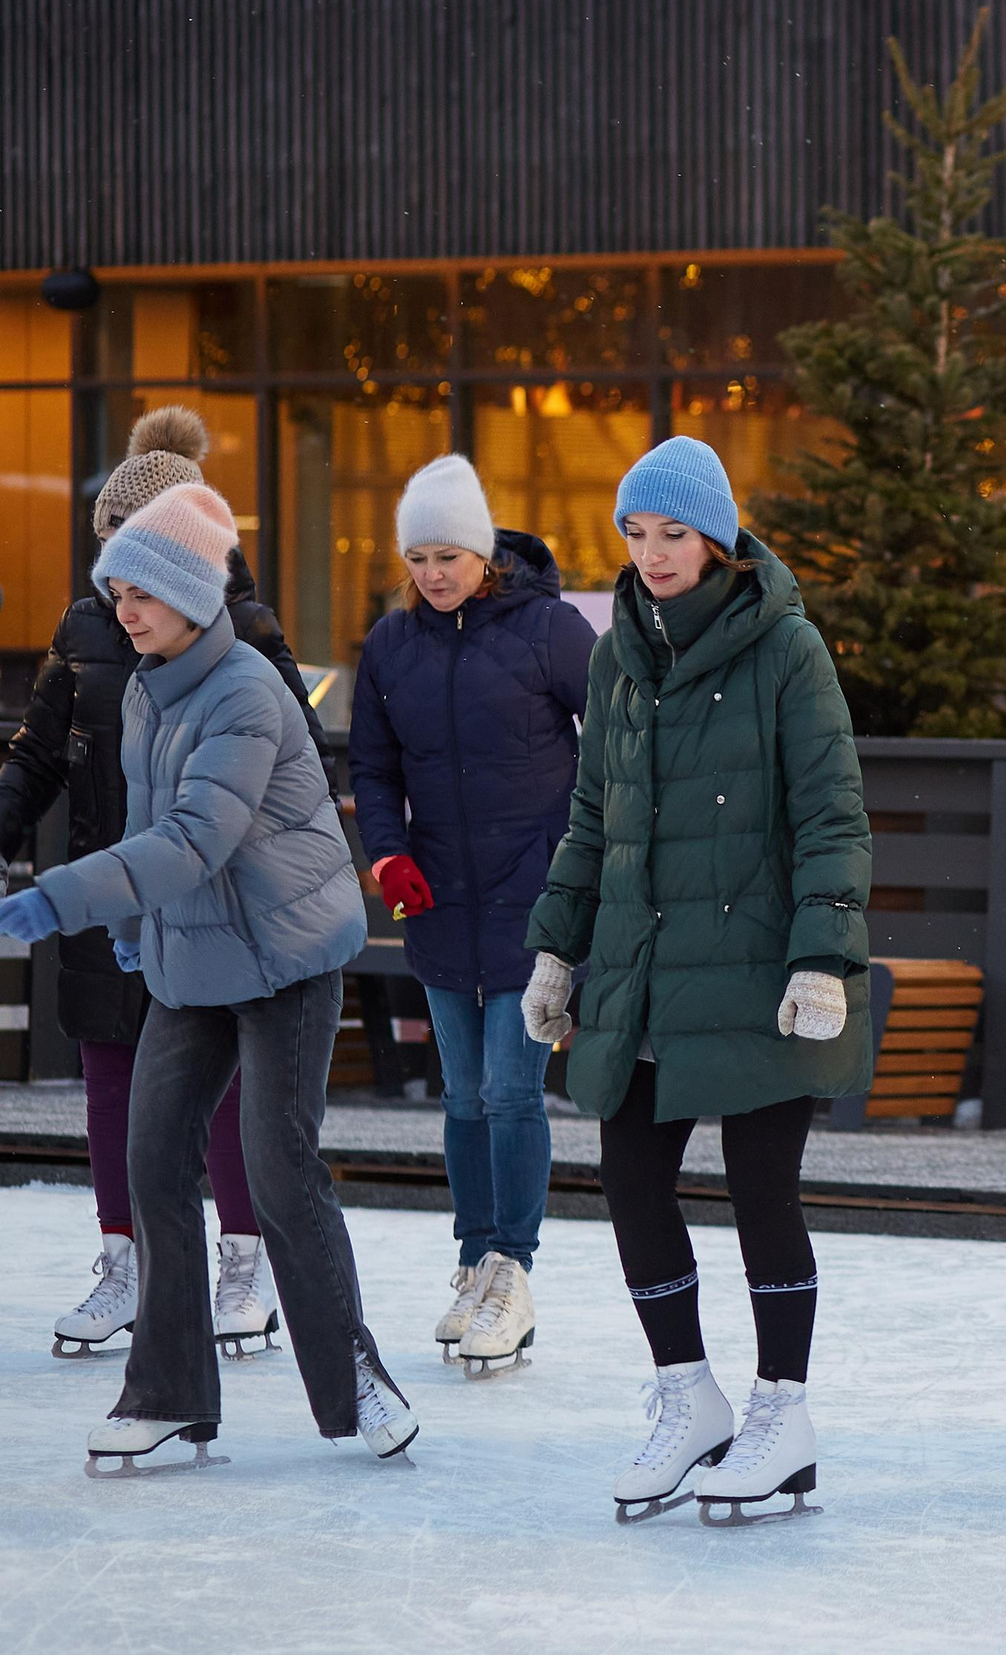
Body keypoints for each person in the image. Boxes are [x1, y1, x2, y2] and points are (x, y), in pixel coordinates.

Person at [0, 482, 406, 1471]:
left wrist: (59, 899)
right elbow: (150, 832)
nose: (124, 610)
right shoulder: (146, 686)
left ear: (189, 592)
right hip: (195, 957)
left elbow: (194, 839)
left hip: (286, 959)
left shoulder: (248, 695)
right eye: (115, 593)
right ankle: (170, 1393)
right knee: (153, 1162)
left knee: (277, 1170)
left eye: (140, 592)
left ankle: (354, 1375)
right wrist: (138, 925)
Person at [522, 435, 871, 1525]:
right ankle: (689, 1398)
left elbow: (829, 812)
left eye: (674, 533)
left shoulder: (786, 648)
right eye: (636, 532)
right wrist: (555, 946)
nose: (654, 552)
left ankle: (782, 1412)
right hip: (639, 961)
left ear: (716, 539)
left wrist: (821, 957)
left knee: (762, 1191)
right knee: (630, 1181)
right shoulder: (614, 651)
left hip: (757, 964)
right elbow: (593, 817)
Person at [0, 406, 324, 1361]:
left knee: (221, 1082)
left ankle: (241, 1257)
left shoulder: (249, 632)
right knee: (111, 1075)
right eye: (106, 554)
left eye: (132, 552)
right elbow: (37, 758)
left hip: (215, 895)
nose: (115, 583)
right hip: (112, 883)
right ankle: (124, 1257)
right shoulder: (84, 630)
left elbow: (297, 762)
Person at [350, 455, 594, 1376]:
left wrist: (581, 864)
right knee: (458, 1096)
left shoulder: (550, 631)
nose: (432, 572)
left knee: (510, 1089)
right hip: (440, 900)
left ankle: (513, 1272)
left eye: (448, 552)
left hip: (535, 904)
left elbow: (616, 738)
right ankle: (474, 1259)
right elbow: (372, 768)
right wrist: (387, 851)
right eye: (417, 556)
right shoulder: (391, 644)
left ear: (483, 551)